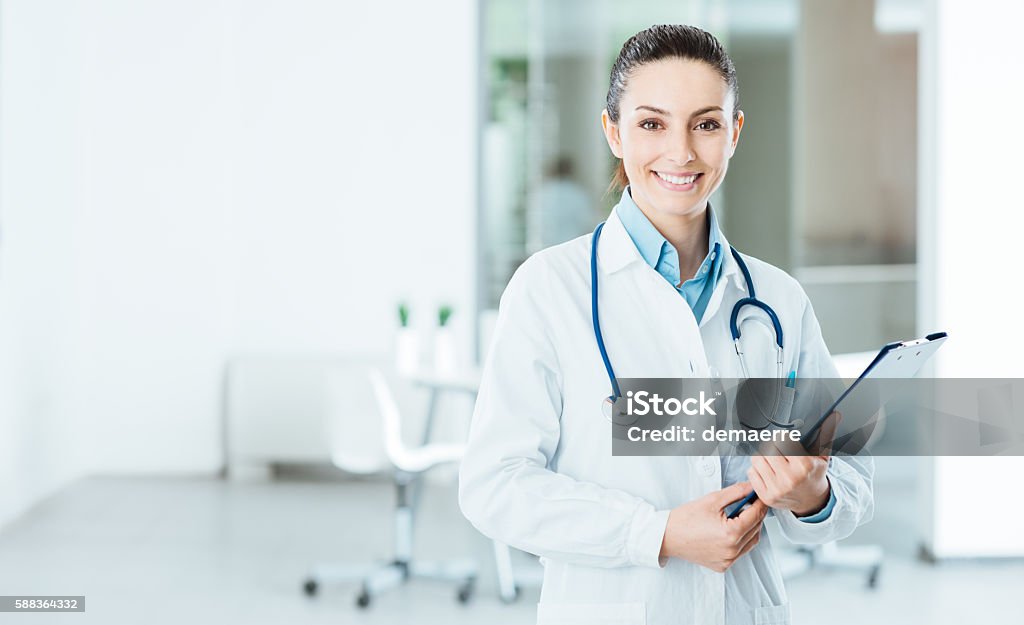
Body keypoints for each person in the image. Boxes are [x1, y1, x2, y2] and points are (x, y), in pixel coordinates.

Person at [459, 24, 873, 625]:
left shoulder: (778, 300)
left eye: (705, 124)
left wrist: (813, 497)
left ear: (733, 134)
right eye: (652, 123)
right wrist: (658, 534)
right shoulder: (548, 289)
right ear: (613, 131)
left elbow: (852, 474)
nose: (681, 152)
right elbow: (494, 486)